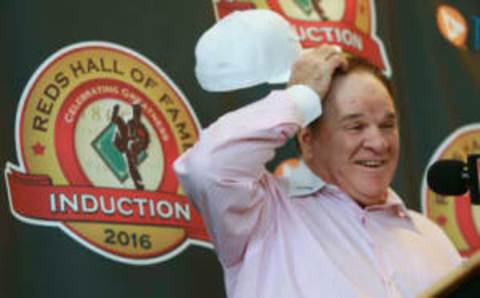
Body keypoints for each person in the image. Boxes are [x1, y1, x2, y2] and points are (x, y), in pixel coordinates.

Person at [175, 14, 462, 298]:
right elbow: (207, 167)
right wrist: (300, 98)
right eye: (355, 126)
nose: (377, 141)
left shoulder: (431, 237)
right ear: (308, 139)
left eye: (387, 125)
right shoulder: (264, 215)